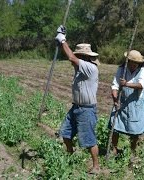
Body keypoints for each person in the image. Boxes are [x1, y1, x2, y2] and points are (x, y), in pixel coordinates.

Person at [55, 25, 100, 174]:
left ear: (85, 57)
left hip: (87, 109)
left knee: (89, 139)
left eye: (79, 56)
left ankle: (96, 166)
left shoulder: (90, 68)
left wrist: (62, 40)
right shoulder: (79, 69)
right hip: (76, 107)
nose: (76, 58)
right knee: (65, 133)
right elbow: (72, 59)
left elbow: (71, 58)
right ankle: (70, 155)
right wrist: (61, 43)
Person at [109, 50, 144, 160]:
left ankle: (133, 152)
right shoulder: (121, 69)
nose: (134, 65)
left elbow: (141, 85)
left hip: (136, 102)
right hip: (122, 101)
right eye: (132, 62)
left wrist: (126, 84)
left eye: (136, 63)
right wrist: (115, 99)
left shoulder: (142, 70)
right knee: (115, 126)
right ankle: (114, 149)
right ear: (127, 61)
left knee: (135, 129)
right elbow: (115, 85)